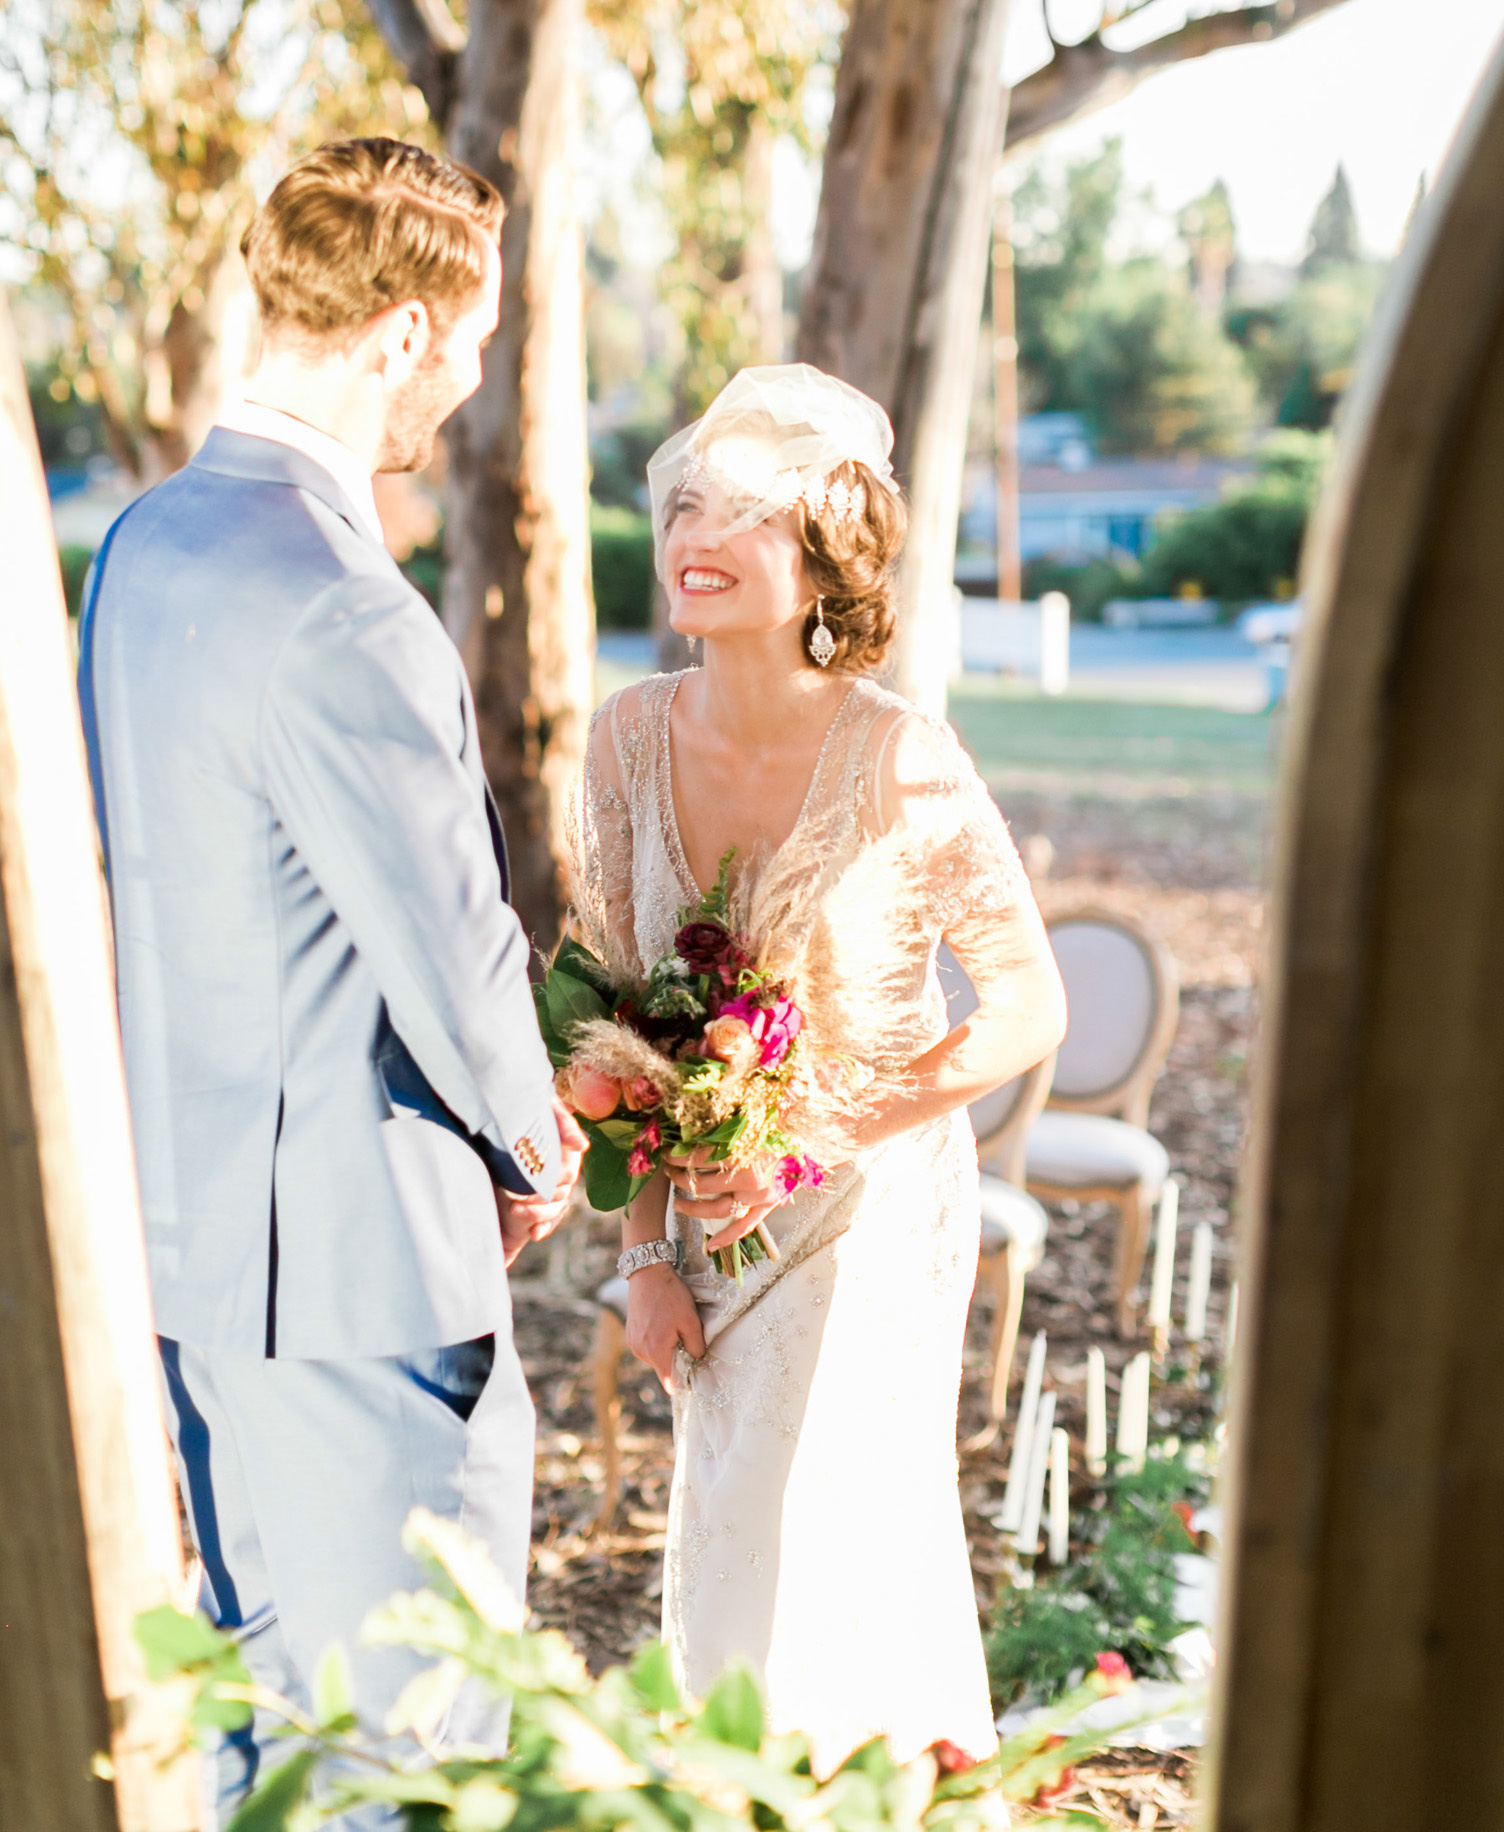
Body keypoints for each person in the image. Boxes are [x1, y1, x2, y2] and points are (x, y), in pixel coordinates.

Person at [78, 139, 585, 1820]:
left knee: (261, 1740)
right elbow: (447, 944)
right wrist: (534, 1141)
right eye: (474, 336)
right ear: (396, 339)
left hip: (189, 1245)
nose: (479, 370)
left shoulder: (139, 556)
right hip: (362, 1276)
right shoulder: (345, 608)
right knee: (402, 1751)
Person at [580, 365, 1066, 1780]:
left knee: (824, 1532)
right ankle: (742, 1797)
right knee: (733, 1534)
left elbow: (1027, 1000)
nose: (696, 532)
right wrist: (645, 1253)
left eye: (743, 509)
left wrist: (818, 1129)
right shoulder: (625, 739)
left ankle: (848, 1792)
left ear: (825, 555)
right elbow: (615, 1010)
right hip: (712, 1231)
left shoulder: (904, 759)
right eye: (684, 504)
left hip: (873, 1207)